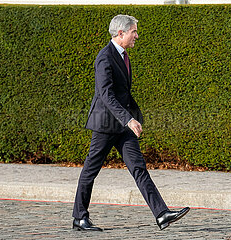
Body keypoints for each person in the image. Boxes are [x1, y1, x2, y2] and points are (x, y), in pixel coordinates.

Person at [72, 14, 190, 231]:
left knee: (139, 168)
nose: (137, 35)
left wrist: (131, 117)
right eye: (133, 31)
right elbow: (106, 95)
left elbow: (122, 92)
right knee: (91, 170)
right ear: (121, 33)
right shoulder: (104, 57)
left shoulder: (123, 55)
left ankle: (162, 214)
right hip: (106, 125)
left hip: (123, 125)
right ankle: (79, 217)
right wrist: (129, 119)